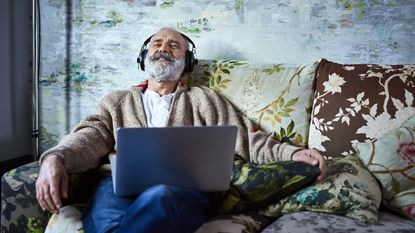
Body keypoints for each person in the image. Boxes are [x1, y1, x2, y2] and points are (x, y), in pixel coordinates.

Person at [35, 27, 326, 233]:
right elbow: (88, 136)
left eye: (174, 45)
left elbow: (250, 141)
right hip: (116, 188)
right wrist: (55, 158)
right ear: (143, 58)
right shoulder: (116, 101)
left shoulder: (204, 99)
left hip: (179, 191)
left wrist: (295, 152)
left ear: (187, 62)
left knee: (160, 198)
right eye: (157, 43)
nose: (163, 48)